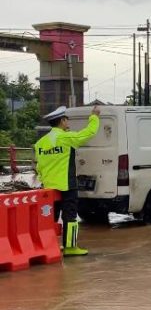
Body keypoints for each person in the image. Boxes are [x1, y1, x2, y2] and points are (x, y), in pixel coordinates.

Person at [34, 105, 100, 256]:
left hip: (49, 186)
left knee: (50, 217)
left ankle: (50, 247)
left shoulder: (40, 143)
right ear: (62, 121)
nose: (67, 122)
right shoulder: (65, 138)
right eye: (66, 120)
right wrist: (94, 117)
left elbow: (39, 167)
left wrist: (44, 181)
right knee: (70, 216)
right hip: (67, 185)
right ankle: (70, 247)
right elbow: (88, 133)